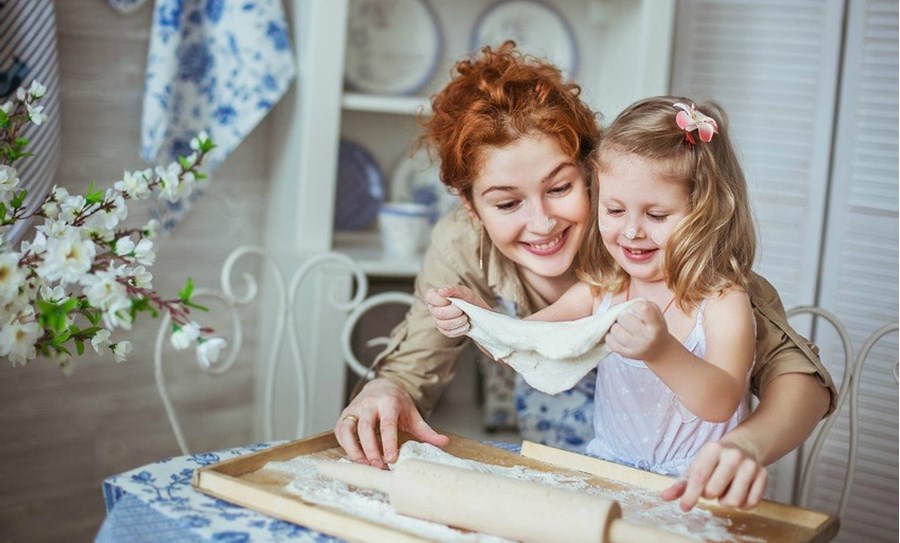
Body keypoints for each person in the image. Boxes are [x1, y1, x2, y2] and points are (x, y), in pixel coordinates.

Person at [334, 42, 836, 511]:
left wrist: (746, 444)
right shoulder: (474, 244)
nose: (542, 222)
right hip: (569, 476)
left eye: (560, 187)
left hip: (678, 483)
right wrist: (402, 375)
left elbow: (796, 380)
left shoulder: (669, 251)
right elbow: (474, 347)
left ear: (591, 169)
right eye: (507, 202)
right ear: (470, 207)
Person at [430, 96, 759, 482]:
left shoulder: (722, 302)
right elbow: (523, 342)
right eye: (615, 210)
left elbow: (720, 402)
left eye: (656, 215)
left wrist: (661, 351)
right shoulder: (605, 289)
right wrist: (476, 317)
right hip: (607, 472)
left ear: (706, 212)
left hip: (696, 483)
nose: (632, 231)